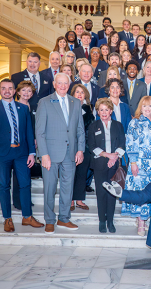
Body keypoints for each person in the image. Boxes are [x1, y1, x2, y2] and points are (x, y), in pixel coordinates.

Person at [0, 79, 43, 232]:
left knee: (25, 184)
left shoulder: (23, 108)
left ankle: (27, 217)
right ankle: (7, 219)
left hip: (22, 153)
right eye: (4, 88)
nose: (7, 91)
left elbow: (29, 132)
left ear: (15, 90)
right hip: (2, 154)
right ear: (0, 91)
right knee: (4, 186)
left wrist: (31, 152)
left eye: (10, 88)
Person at [36, 72, 85, 234]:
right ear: (54, 84)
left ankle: (64, 218)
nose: (63, 86)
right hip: (50, 154)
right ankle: (49, 220)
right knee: (49, 188)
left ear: (69, 85)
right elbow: (40, 132)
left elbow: (80, 129)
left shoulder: (76, 102)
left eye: (66, 83)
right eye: (60, 83)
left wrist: (80, 149)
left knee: (67, 188)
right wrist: (43, 154)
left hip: (70, 153)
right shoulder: (44, 102)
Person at [122, 96, 151, 236]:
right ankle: (141, 222)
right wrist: (133, 162)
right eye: (144, 106)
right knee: (141, 192)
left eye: (150, 106)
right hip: (139, 164)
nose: (147, 109)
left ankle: (149, 219)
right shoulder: (135, 123)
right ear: (141, 107)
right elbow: (130, 143)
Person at [89, 98, 126, 233]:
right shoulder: (93, 126)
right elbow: (92, 146)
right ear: (98, 111)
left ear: (111, 111)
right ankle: (102, 221)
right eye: (101, 110)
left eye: (106, 109)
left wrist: (115, 156)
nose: (104, 112)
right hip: (99, 164)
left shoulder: (118, 125)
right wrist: (107, 155)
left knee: (111, 193)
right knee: (101, 193)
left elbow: (123, 143)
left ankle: (110, 221)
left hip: (114, 164)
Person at [70, 84, 95, 212]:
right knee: (70, 174)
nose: (79, 94)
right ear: (73, 94)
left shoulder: (88, 109)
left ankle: (79, 200)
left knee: (81, 174)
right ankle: (70, 200)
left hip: (84, 147)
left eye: (82, 92)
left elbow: (90, 129)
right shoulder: (67, 107)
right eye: (77, 92)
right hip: (69, 147)